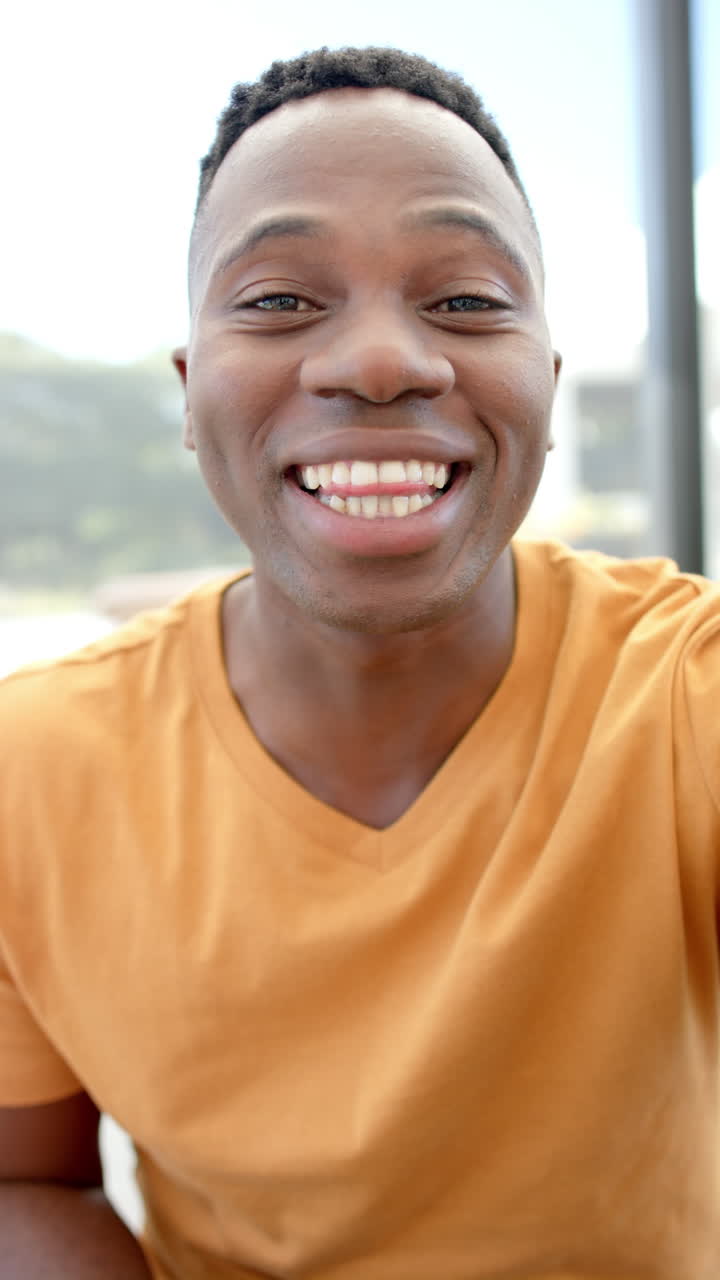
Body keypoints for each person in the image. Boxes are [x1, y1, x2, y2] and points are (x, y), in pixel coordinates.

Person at [0, 44, 718, 1280]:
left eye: (467, 301)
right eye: (281, 300)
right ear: (191, 395)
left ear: (547, 390)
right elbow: (28, 1176)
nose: (382, 361)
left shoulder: (680, 691)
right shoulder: (31, 769)